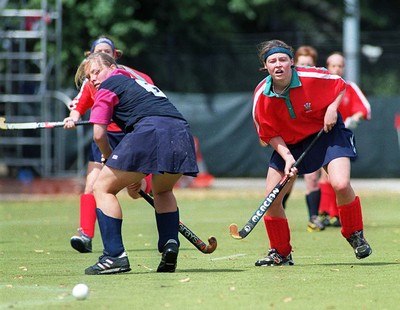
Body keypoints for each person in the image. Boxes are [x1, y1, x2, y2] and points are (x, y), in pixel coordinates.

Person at [252, 39, 372, 266]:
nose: (278, 65)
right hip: (289, 142)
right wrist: (287, 157)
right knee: (272, 198)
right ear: (265, 66)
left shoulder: (311, 76)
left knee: (341, 184)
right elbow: (268, 133)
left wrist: (332, 109)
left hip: (326, 134)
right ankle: (281, 252)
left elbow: (339, 83)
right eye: (272, 61)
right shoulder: (262, 95)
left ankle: (354, 234)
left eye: (283, 60)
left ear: (291, 63)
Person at [81, 52, 198, 274]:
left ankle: (114, 256)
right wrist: (134, 173)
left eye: (96, 72)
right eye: (89, 77)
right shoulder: (137, 83)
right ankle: (170, 244)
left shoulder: (109, 86)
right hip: (181, 132)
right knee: (163, 191)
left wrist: (108, 158)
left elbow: (98, 135)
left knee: (102, 187)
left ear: (112, 67)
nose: (93, 79)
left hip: (150, 131)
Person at [64, 36, 153, 254]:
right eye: (98, 51)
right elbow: (79, 104)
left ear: (114, 57)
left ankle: (150, 191)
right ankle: (85, 234)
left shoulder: (133, 76)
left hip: (129, 134)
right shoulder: (90, 81)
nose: (102, 54)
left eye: (107, 51)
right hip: (104, 135)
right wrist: (72, 117)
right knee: (92, 184)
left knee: (135, 192)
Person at [318, 52, 371, 227]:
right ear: (327, 66)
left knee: (336, 179)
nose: (337, 69)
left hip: (340, 138)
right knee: (323, 177)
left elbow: (364, 109)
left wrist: (353, 119)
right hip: (319, 136)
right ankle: (325, 213)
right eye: (333, 65)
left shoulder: (349, 87)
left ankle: (333, 214)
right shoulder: (318, 85)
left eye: (340, 66)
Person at [283, 45, 326, 233]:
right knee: (289, 179)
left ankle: (313, 218)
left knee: (312, 178)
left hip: (312, 138)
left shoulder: (318, 83)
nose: (305, 68)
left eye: (309, 64)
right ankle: (278, 210)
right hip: (291, 138)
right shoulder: (286, 84)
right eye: (301, 64)